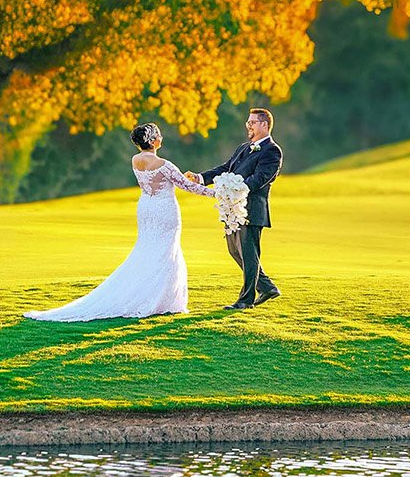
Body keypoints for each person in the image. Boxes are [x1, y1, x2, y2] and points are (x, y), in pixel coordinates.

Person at [25, 123, 215, 322]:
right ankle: (159, 299)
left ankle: (156, 297)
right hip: (164, 210)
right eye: (159, 135)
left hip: (146, 208)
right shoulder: (164, 164)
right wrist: (216, 193)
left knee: (147, 249)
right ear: (152, 141)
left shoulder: (136, 160)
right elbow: (188, 187)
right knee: (165, 251)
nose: (162, 138)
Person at [188, 108, 282, 310]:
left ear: (264, 125)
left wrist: (232, 188)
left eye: (253, 123)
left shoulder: (272, 151)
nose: (248, 126)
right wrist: (201, 178)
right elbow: (225, 168)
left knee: (249, 254)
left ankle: (245, 301)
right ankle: (267, 287)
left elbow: (260, 179)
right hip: (232, 210)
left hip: (251, 210)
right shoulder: (243, 148)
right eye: (248, 122)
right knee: (234, 250)